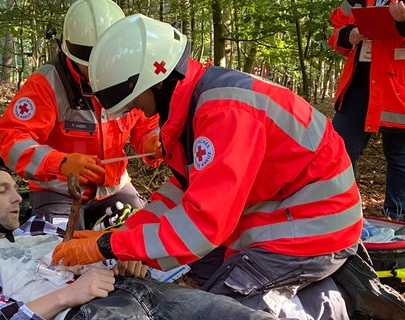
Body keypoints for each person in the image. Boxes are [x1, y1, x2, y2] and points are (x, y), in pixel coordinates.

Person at [51, 14, 405, 320]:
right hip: (278, 209)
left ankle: (328, 299)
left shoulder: (222, 114)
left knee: (219, 308)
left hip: (312, 224)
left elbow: (202, 225)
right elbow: (182, 190)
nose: (138, 111)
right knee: (197, 276)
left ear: (155, 82)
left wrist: (112, 245)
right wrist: (125, 234)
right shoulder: (194, 103)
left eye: (135, 101)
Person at [0, 161, 287, 320]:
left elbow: (109, 253)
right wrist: (68, 294)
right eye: (2, 191)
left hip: (148, 294)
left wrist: (127, 257)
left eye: (15, 189)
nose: (18, 197)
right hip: (89, 312)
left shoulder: (45, 231)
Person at [0, 0, 162, 231]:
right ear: (72, 54)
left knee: (141, 240)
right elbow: (11, 140)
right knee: (55, 255)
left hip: (114, 188)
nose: (99, 71)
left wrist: (153, 141)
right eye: (90, 64)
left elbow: (146, 123)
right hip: (57, 191)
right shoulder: (47, 84)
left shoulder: (129, 75)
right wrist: (60, 163)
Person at [328, 0, 405, 221]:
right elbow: (334, 33)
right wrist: (348, 36)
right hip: (358, 88)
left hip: (397, 89)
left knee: (400, 157)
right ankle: (341, 214)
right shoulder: (355, 1)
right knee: (338, 151)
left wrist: (402, 22)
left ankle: (397, 221)